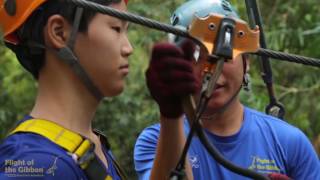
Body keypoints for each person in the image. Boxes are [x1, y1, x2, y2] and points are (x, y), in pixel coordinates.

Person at [0, 0, 187, 179]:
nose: (128, 48)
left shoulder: (85, 148)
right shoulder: (38, 163)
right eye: (116, 28)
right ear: (59, 33)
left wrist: (171, 116)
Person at [134, 0, 320, 179]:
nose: (212, 68)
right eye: (196, 57)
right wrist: (170, 115)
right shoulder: (156, 141)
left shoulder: (289, 142)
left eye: (225, 55)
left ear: (246, 62)